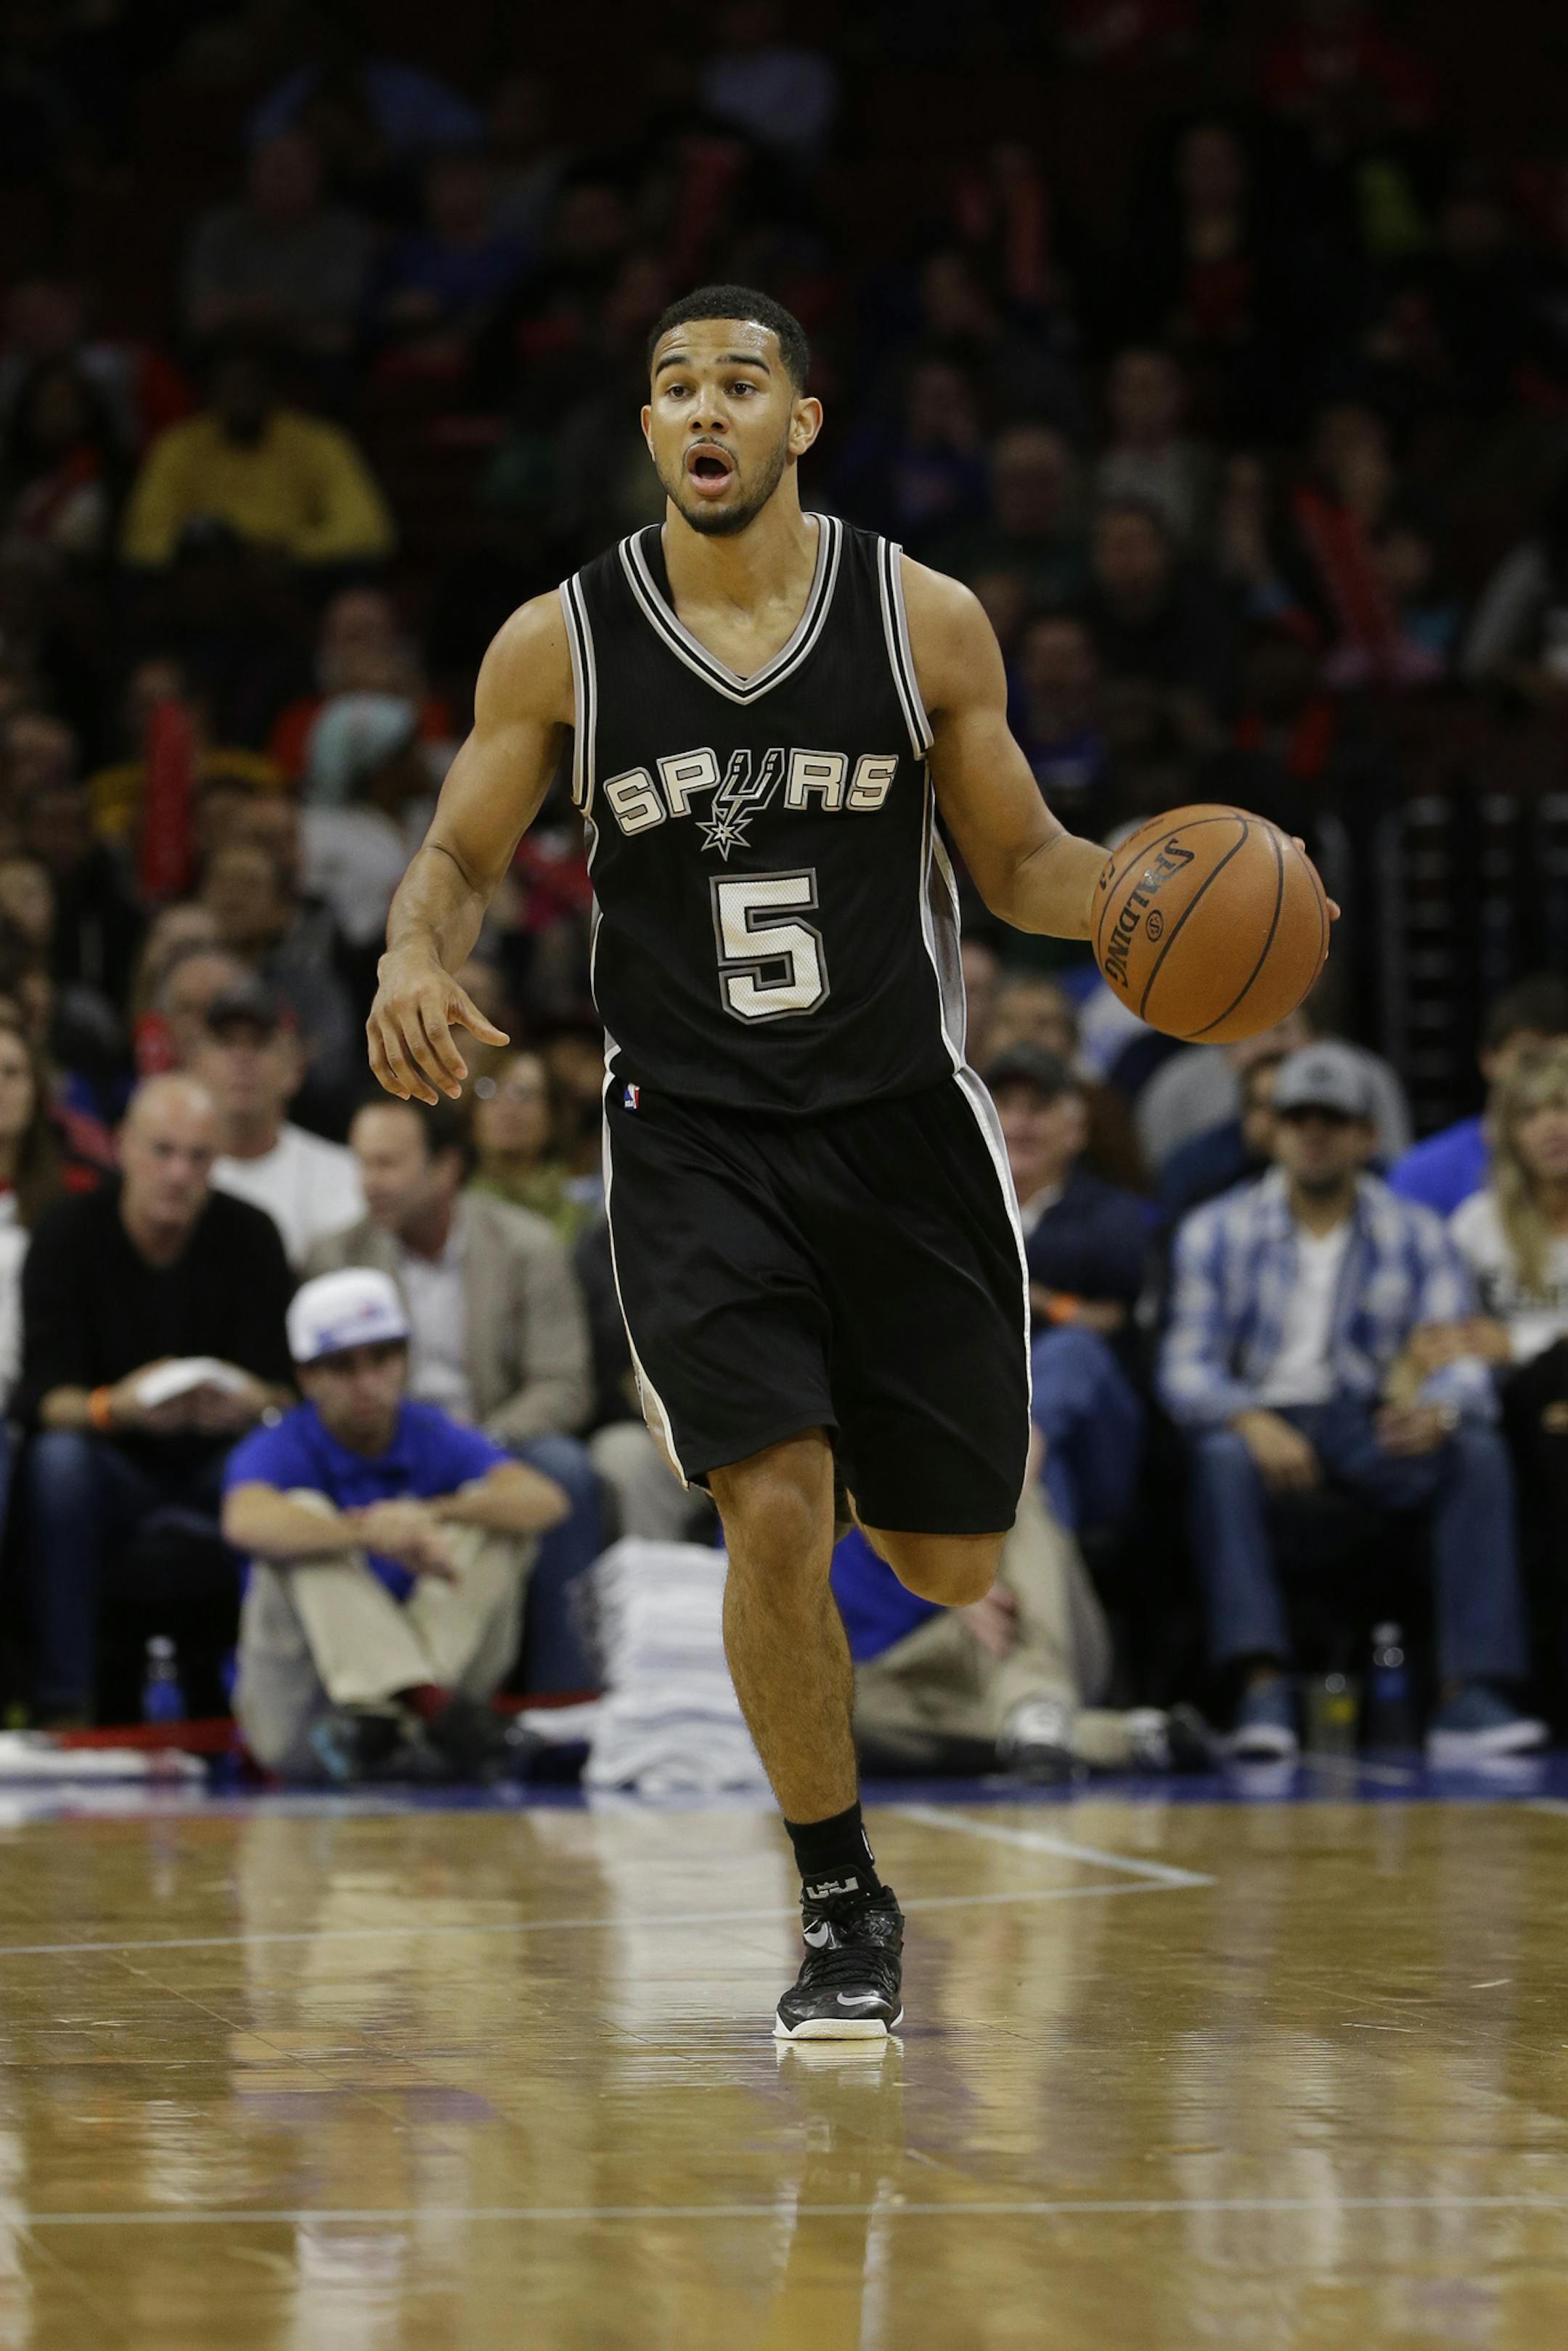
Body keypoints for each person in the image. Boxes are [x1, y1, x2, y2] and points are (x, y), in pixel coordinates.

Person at [364, 282, 1331, 2039]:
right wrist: (411, 954)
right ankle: (838, 1893)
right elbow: (452, 852)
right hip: (691, 1139)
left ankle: (863, 1633)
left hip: (901, 1125)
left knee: (954, 1558)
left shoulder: (922, 618)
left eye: (739, 381)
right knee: (775, 1505)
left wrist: (1138, 901)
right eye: (672, 388)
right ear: (649, 430)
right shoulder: (558, 642)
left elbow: (1024, 859)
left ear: (800, 420)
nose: (704, 409)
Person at [1159, 1042, 1543, 1767]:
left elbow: (1456, 1357)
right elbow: (1185, 1369)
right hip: (1266, 1423)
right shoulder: (1216, 1229)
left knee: (1476, 1449)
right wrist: (1249, 1418)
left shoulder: (1417, 1233)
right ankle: (1264, 1687)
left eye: (1333, 1119)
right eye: (1298, 1115)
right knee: (1217, 1456)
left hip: (1372, 1421)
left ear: (1367, 1135)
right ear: (1272, 1129)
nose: (1314, 1132)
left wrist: (1441, 1410)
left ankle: (1470, 1696)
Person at [17, 1075, 294, 1724]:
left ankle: (273, 1704)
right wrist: (119, 1406)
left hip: (218, 1464)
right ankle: (65, 1705)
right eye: (162, 1152)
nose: (178, 1173)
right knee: (57, 1465)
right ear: (121, 1147)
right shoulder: (65, 1234)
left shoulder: (252, 1235)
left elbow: (287, 1392)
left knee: (278, 1460)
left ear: (218, 1161)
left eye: (198, 1157)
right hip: (111, 1463)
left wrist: (254, 1402)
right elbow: (41, 1400)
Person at [224, 1268, 568, 1784]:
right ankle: (421, 1701)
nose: (366, 1382)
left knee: (496, 1516)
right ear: (307, 1378)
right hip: (309, 1729)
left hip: (431, 1734)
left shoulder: (431, 1430)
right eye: (342, 1366)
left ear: (404, 1360)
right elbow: (244, 1520)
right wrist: (366, 1533)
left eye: (381, 1358)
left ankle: (397, 1710)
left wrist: (429, 1515)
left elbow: (544, 1500)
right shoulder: (281, 1444)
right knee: (299, 1522)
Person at [309, 1096, 601, 1682]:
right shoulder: (335, 1256)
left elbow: (564, 1384)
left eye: (388, 1165)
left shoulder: (527, 1246)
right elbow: (321, 1387)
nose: (369, 1184)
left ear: (446, 1168)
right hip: (381, 1443)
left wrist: (483, 1440)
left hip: (497, 1440)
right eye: (362, 1164)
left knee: (564, 1469)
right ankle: (372, 1690)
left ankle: (563, 1700)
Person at [835, 1464, 1208, 1783]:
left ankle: (1035, 1697)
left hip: (1029, 1627)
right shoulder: (799, 1463)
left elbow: (1021, 1449)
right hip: (915, 1679)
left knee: (1016, 1492)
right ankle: (1108, 1737)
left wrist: (956, 1575)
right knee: (838, 1710)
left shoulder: (926, 1412)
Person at [989, 1043, 1149, 1535]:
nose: (1018, 1124)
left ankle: (1012, 1481)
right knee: (1030, 1453)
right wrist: (1060, 1303)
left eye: (1037, 1109)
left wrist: (1029, 1298)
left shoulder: (1115, 1217)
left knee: (1072, 1352)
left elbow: (1111, 1325)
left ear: (1076, 1128)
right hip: (993, 1428)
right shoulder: (951, 1215)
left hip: (1097, 1439)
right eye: (1006, 1107)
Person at [120, 344, 395, 572]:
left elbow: (367, 530)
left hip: (292, 578)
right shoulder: (178, 446)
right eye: (230, 383)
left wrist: (291, 551)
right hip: (201, 582)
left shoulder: (318, 441)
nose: (241, 395)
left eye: (251, 382)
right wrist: (212, 555)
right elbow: (142, 541)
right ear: (209, 390)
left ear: (273, 387)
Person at [192, 977, 364, 1266]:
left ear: (295, 1067)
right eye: (226, 1042)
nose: (241, 1058)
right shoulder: (172, 1173)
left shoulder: (346, 1177)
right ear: (195, 1063)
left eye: (260, 1043)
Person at [1389, 976, 1568, 1218]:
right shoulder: (1424, 1174)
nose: (1544, 1076)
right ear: (1488, 1060)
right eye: (1530, 1058)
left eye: (1561, 1061)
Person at [468, 1048, 592, 1247]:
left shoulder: (585, 1218)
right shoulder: (449, 1208)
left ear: (554, 1116)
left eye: (523, 1093)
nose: (506, 1107)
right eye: (489, 1089)